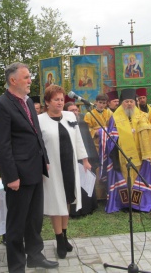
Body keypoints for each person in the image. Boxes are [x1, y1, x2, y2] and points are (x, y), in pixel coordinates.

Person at [0, 62, 58, 272]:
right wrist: (11, 176)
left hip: (35, 169)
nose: (30, 81)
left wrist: (44, 159)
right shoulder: (0, 105)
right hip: (18, 174)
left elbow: (36, 133)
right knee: (17, 223)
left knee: (35, 219)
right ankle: (17, 266)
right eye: (27, 77)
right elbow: (2, 145)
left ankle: (35, 256)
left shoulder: (28, 102)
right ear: (13, 80)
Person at [39, 85, 91, 259]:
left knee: (68, 198)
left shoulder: (69, 116)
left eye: (62, 99)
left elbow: (78, 139)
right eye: (56, 99)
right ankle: (59, 239)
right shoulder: (40, 120)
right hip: (52, 167)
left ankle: (65, 235)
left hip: (69, 164)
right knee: (56, 201)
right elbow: (37, 145)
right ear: (47, 102)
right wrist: (42, 162)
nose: (60, 102)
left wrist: (84, 159)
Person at [99, 89, 151, 213]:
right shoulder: (114, 118)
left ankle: (141, 203)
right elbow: (110, 135)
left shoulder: (142, 116)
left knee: (139, 177)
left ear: (135, 102)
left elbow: (149, 134)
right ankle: (124, 204)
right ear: (122, 103)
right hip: (121, 155)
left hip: (140, 154)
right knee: (124, 177)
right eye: (126, 101)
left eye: (131, 101)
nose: (129, 104)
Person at [64, 101, 98, 217]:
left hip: (85, 160)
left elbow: (88, 143)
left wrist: (91, 159)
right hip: (70, 160)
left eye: (76, 110)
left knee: (86, 185)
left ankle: (88, 208)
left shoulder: (82, 124)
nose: (75, 112)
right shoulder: (63, 126)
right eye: (71, 110)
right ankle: (75, 211)